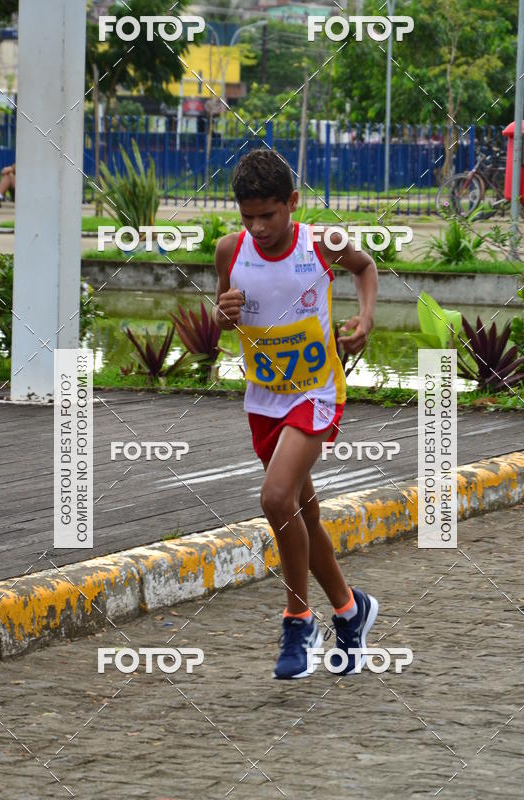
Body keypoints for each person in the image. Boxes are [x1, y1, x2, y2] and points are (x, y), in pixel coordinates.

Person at [213, 149, 379, 679]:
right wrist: (223, 314)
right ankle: (351, 610)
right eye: (248, 217)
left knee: (275, 497)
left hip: (316, 393)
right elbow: (223, 317)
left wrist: (366, 319)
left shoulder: (320, 243)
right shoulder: (229, 251)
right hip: (263, 399)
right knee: (301, 515)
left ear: (292, 203)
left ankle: (297, 619)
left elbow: (366, 267)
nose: (258, 227)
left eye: (269, 214)